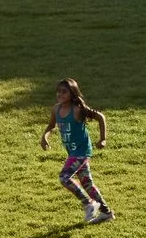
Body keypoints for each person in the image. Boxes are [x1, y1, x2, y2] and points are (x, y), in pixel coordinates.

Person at [41, 78, 115, 224]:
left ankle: (88, 203)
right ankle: (107, 213)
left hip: (81, 152)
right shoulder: (56, 109)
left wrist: (103, 139)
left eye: (64, 91)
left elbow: (100, 117)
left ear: (72, 93)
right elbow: (51, 126)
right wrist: (44, 137)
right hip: (72, 152)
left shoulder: (77, 109)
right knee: (87, 183)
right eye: (58, 91)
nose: (60, 94)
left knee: (64, 178)